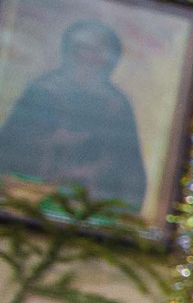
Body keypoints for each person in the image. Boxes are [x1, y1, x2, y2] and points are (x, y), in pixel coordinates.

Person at [0, 19, 151, 212]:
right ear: (70, 52)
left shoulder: (117, 104)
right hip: (35, 194)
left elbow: (128, 166)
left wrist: (95, 172)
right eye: (83, 49)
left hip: (89, 202)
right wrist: (50, 141)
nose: (90, 57)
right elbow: (11, 144)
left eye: (98, 51)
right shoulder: (42, 91)